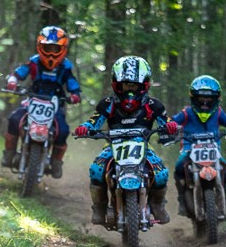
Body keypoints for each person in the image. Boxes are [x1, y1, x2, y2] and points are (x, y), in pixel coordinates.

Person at [74, 55, 178, 225]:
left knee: (161, 174)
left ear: (144, 84)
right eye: (126, 84)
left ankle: (157, 204)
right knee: (96, 170)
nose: (130, 90)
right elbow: (95, 120)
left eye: (134, 85)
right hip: (113, 146)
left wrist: (171, 125)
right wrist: (85, 128)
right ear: (117, 84)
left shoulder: (153, 105)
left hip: (142, 146)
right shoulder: (107, 103)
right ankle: (99, 208)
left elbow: (165, 120)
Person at [1, 25, 81, 179]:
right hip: (32, 100)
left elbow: (72, 82)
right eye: (47, 47)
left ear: (63, 49)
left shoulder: (65, 67)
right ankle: (9, 153)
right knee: (14, 119)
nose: (51, 53)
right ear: (39, 46)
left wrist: (75, 94)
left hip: (55, 104)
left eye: (55, 49)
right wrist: (12, 81)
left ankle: (57, 162)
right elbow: (20, 72)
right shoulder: (34, 62)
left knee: (62, 130)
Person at [171, 75, 226, 220]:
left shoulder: (218, 112)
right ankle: (182, 200)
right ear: (194, 98)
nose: (205, 103)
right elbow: (172, 122)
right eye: (201, 99)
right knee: (179, 166)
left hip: (213, 149)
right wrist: (168, 129)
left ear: (216, 99)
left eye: (209, 99)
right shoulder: (187, 112)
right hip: (189, 148)